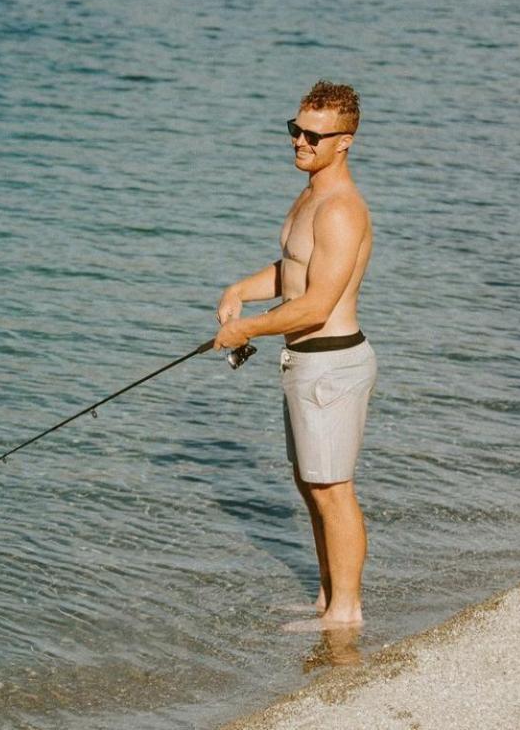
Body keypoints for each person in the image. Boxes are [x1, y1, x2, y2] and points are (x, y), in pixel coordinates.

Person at [213, 80, 376, 631]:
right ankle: (327, 599)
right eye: (295, 129)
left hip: (331, 361)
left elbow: (315, 305)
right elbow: (291, 272)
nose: (299, 142)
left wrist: (247, 331)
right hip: (304, 365)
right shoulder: (310, 194)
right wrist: (241, 290)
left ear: (344, 141)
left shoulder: (340, 210)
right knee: (311, 485)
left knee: (334, 489)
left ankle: (346, 612)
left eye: (313, 135)